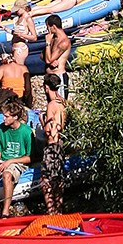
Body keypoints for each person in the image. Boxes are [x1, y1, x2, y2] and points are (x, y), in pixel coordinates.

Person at [0, 95, 36, 211]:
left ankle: (5, 210)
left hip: (17, 162)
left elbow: (30, 157)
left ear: (15, 117)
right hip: (3, 160)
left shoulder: (26, 132)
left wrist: (10, 161)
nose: (3, 119)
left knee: (7, 175)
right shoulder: (2, 128)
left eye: (6, 116)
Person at [38, 74, 69, 213]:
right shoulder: (64, 102)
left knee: (45, 180)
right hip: (61, 144)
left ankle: (52, 211)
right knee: (58, 178)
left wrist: (41, 120)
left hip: (52, 144)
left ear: (46, 87)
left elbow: (49, 130)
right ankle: (59, 209)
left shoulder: (51, 105)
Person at [42, 11, 72, 95]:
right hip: (49, 76)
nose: (47, 30)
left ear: (53, 27)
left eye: (48, 27)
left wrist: (47, 43)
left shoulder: (63, 42)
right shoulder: (53, 39)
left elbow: (48, 60)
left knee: (59, 103)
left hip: (58, 76)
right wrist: (50, 60)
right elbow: (42, 56)